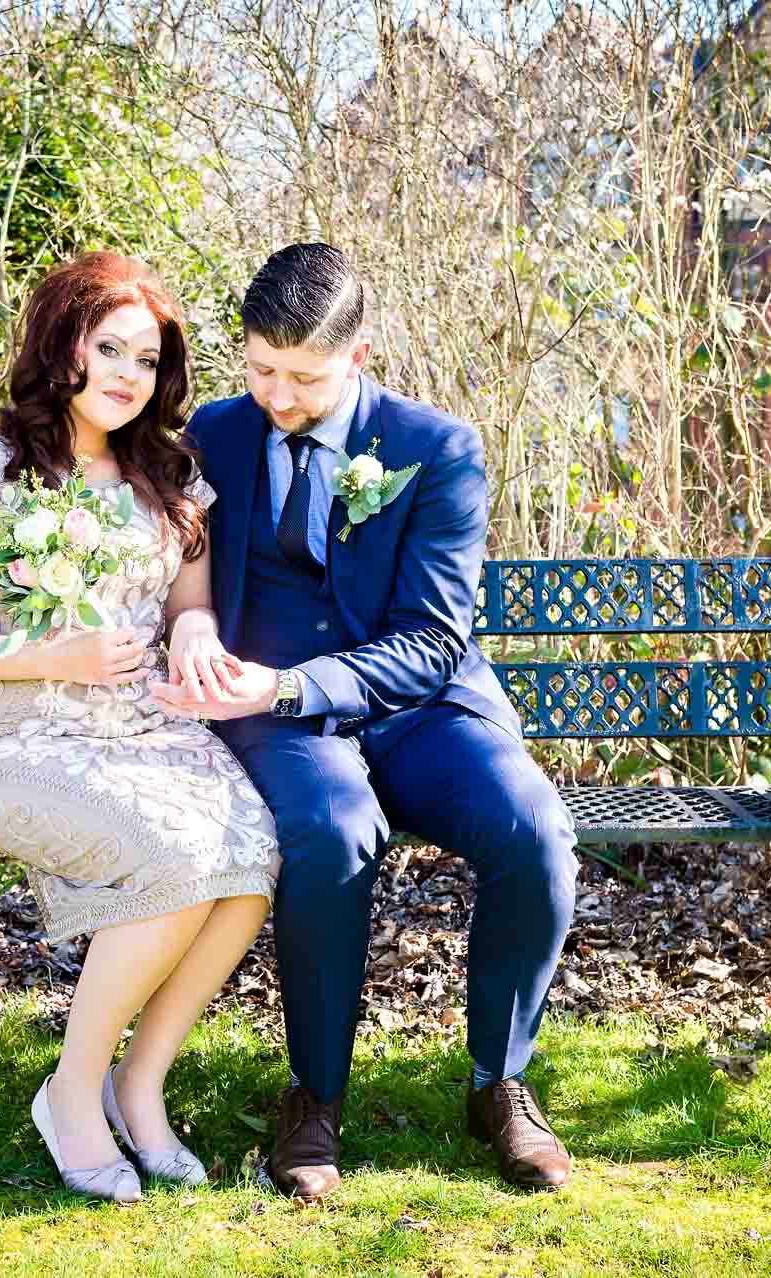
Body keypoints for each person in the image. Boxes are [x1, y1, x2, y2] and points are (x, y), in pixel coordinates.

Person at [147, 243, 581, 1197]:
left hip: (420, 705)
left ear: (360, 355)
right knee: (332, 831)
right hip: (276, 716)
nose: (278, 395)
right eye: (260, 369)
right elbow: (129, 529)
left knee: (537, 833)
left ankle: (499, 1084)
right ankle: (315, 1096)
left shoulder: (436, 449)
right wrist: (190, 624)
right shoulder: (209, 436)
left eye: (304, 378)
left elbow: (431, 640)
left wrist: (290, 685)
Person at [0, 252, 279, 1204]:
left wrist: (192, 633)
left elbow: (190, 603)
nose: (127, 376)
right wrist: (40, 658)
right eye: (109, 349)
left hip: (147, 726)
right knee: (180, 861)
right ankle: (68, 1094)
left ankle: (137, 1087)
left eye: (146, 360)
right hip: (20, 739)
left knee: (253, 859)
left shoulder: (169, 474)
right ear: (62, 344)